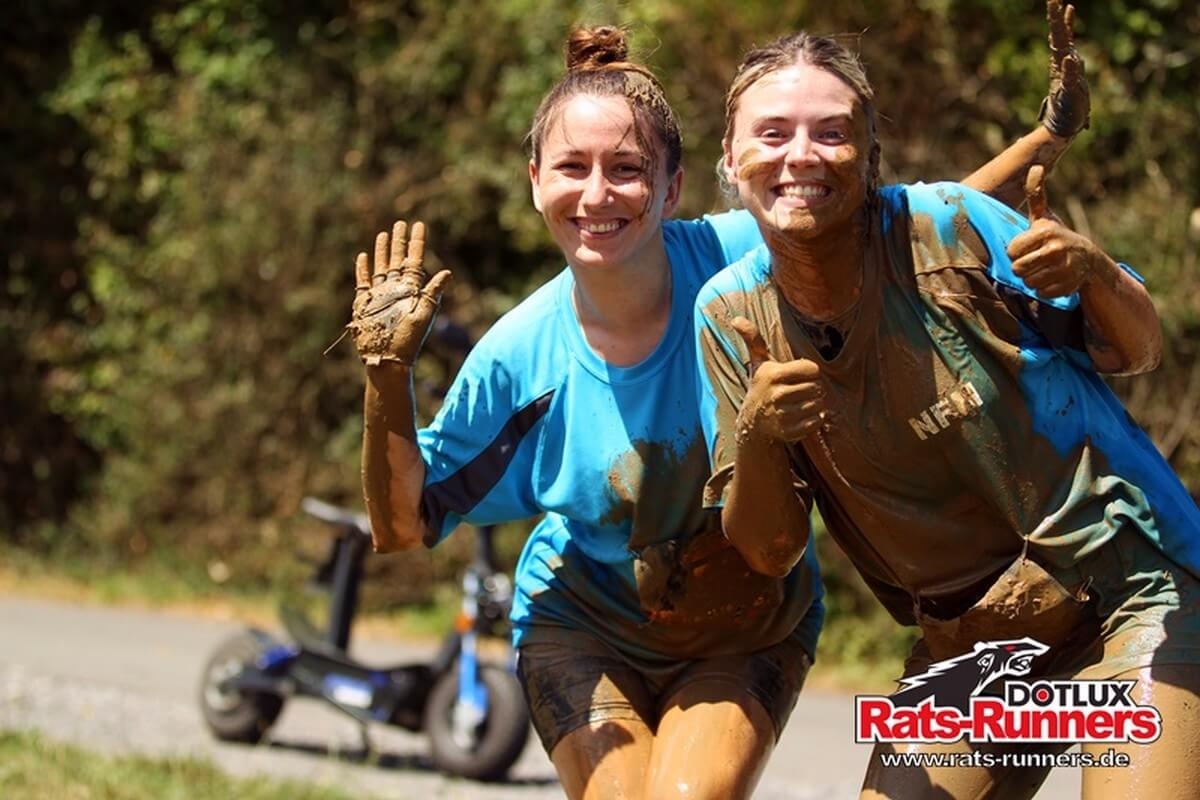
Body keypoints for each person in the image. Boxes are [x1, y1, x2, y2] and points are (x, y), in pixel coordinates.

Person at [346, 7, 1089, 798]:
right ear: (536, 182)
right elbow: (403, 524)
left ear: (671, 187)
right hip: (580, 625)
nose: (597, 194)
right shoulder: (518, 360)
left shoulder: (736, 257)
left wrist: (1048, 137)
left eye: (626, 169)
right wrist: (388, 377)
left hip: (748, 626)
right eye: (571, 168)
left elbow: (902, 232)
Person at [694, 16, 1200, 800]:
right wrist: (760, 436)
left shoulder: (948, 227)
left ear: (869, 156)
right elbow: (770, 551)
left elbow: (1138, 350)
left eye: (832, 132)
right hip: (977, 640)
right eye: (772, 133)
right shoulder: (729, 316)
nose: (801, 154)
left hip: (1131, 586)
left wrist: (1095, 273)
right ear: (731, 158)